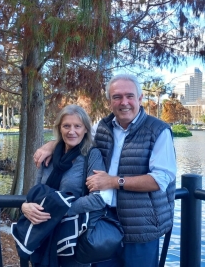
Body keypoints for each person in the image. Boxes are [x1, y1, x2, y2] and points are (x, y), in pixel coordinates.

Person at [34, 74, 177, 267]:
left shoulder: (158, 131)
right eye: (117, 97)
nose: (123, 102)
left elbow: (160, 180)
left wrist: (114, 181)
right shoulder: (102, 127)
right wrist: (52, 144)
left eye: (129, 96)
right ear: (110, 101)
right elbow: (75, 134)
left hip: (141, 226)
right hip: (103, 224)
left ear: (140, 98)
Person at [20, 105, 107, 267]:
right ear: (59, 128)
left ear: (86, 129)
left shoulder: (91, 155)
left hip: (72, 239)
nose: (71, 131)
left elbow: (98, 200)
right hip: (43, 233)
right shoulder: (49, 155)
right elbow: (36, 192)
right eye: (66, 126)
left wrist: (59, 208)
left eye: (77, 126)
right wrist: (25, 206)